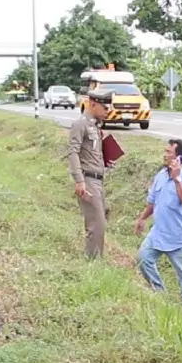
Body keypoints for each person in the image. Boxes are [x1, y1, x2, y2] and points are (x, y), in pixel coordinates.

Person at [134, 139, 182, 304]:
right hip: (159, 232)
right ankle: (160, 293)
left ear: (180, 159)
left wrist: (177, 180)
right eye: (165, 151)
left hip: (179, 235)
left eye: (168, 152)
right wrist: (142, 218)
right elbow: (152, 201)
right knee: (143, 259)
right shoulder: (161, 176)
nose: (164, 155)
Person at [68, 88, 113, 259]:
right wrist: (79, 181)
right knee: (96, 225)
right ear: (93, 104)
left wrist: (107, 161)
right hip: (88, 180)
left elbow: (92, 153)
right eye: (105, 108)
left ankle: (95, 260)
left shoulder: (95, 126)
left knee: (100, 222)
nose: (108, 111)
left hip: (98, 179)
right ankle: (93, 263)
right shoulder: (81, 124)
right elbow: (73, 152)